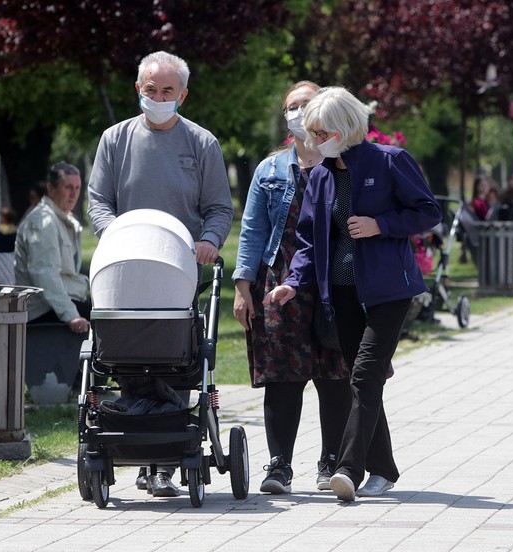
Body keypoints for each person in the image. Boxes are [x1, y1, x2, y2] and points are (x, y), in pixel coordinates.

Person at [264, 87, 442, 502]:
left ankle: (347, 469)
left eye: (321, 132)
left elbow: (428, 212)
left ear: (344, 128)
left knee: (363, 375)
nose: (314, 140)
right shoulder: (320, 176)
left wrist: (381, 225)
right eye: (313, 132)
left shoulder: (390, 161)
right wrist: (293, 282)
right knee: (364, 379)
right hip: (340, 294)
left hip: (388, 291)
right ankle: (384, 470)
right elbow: (309, 241)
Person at [87, 50, 233, 497]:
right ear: (138, 89)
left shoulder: (202, 143)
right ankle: (132, 434)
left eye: (168, 90)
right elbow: (98, 201)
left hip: (178, 268)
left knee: (175, 352)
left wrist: (209, 240)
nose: (158, 97)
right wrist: (117, 236)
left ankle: (165, 459)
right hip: (125, 266)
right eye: (151, 89)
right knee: (127, 351)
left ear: (183, 95)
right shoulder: (115, 139)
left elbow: (218, 208)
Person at [233, 81, 351, 494]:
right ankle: (279, 465)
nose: (299, 112)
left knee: (335, 374)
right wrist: (242, 286)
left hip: (334, 280)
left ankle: (331, 461)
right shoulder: (269, 171)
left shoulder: (343, 164)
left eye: (307, 104)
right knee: (281, 375)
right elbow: (252, 231)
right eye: (292, 106)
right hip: (279, 281)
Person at [14, 162, 90, 334]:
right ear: (51, 188)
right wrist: (70, 315)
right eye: (68, 187)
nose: (74, 194)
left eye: (77, 188)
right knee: (110, 323)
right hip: (42, 310)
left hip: (59, 303)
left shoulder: (62, 220)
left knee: (111, 314)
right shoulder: (43, 222)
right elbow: (45, 274)